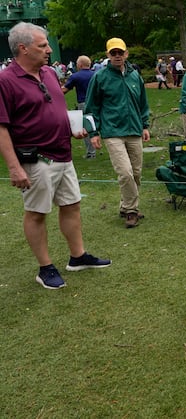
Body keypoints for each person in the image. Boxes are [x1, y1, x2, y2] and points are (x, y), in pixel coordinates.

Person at [0, 22, 111, 289]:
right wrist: (14, 167)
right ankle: (45, 267)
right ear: (23, 49)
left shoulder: (49, 72)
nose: (49, 50)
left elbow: (52, 108)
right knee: (37, 213)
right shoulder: (6, 81)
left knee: (71, 205)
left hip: (64, 154)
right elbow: (2, 127)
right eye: (43, 46)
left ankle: (77, 256)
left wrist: (71, 130)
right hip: (36, 160)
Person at [85, 37, 151, 228]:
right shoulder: (100, 77)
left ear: (126, 54)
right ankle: (131, 211)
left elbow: (143, 103)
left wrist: (145, 125)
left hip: (135, 130)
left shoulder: (134, 76)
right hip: (112, 131)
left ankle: (125, 205)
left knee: (136, 173)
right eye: (113, 53)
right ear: (107, 55)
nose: (117, 56)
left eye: (120, 52)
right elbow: (91, 106)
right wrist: (93, 133)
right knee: (125, 172)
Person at [62, 55, 96, 158]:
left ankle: (91, 153)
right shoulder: (96, 75)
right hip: (96, 103)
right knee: (95, 126)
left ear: (80, 65)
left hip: (83, 103)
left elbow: (64, 90)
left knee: (86, 128)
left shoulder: (75, 76)